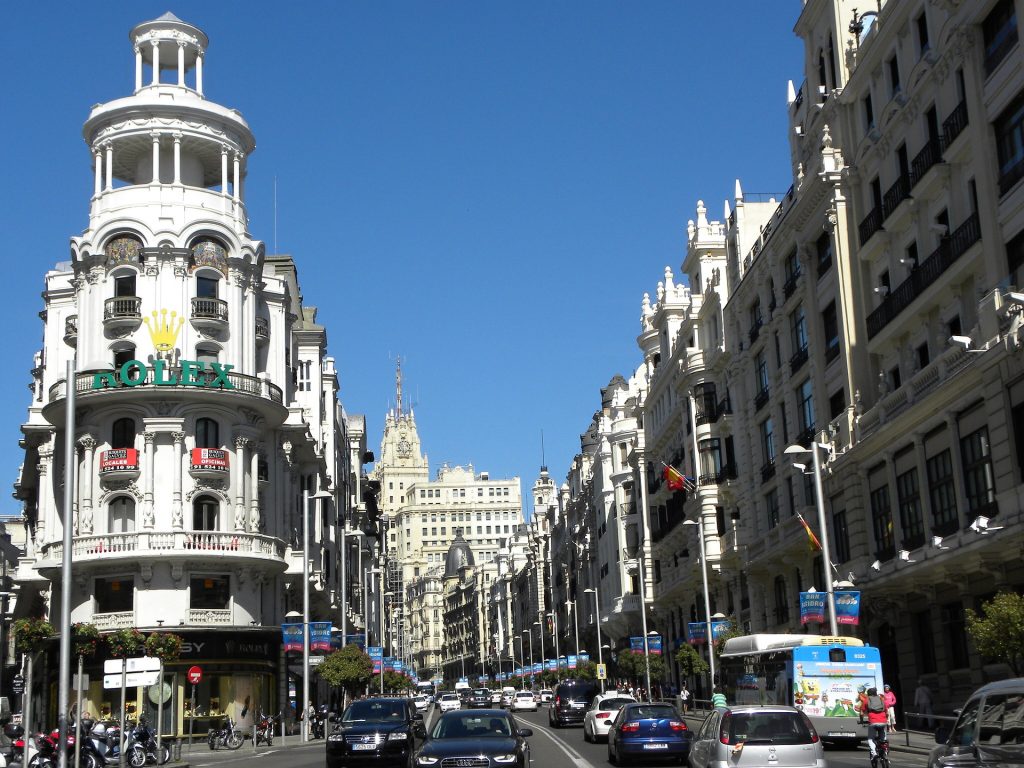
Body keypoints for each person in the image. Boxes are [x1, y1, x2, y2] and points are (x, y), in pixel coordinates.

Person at [865, 687, 888, 763]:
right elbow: (886, 710)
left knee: (870, 739)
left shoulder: (867, 699)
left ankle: (874, 753)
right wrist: (885, 718)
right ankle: (885, 752)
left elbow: (862, 711)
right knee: (883, 738)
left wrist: (861, 720)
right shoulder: (881, 699)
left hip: (873, 721)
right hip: (883, 721)